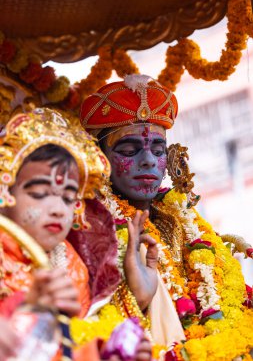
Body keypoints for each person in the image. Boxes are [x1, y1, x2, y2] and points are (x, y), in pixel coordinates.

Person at [80, 74, 253, 360]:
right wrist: (142, 299)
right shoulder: (93, 229)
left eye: (157, 150)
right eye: (129, 149)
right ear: (100, 157)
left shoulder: (184, 219)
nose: (148, 160)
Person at [0, 107, 153, 361]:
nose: (58, 210)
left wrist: (110, 351)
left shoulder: (75, 267)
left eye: (69, 198)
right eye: (39, 193)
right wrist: (25, 309)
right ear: (6, 194)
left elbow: (69, 346)